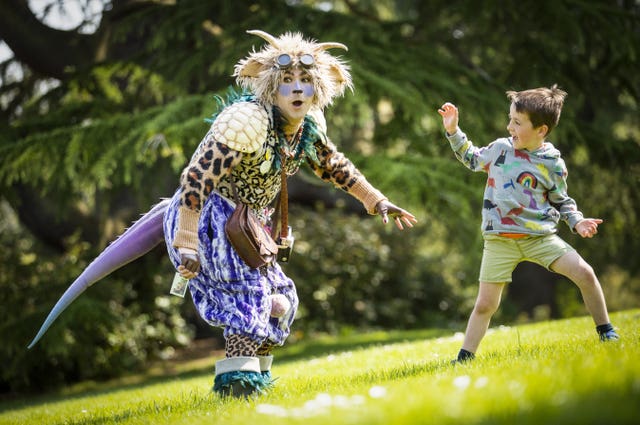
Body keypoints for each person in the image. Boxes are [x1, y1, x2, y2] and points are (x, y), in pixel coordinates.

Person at [164, 29, 417, 397]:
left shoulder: (308, 128)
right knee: (249, 298)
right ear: (270, 86)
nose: (297, 90)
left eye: (305, 81)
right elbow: (197, 180)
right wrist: (186, 241)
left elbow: (333, 166)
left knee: (281, 302)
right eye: (286, 81)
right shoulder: (247, 121)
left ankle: (256, 381)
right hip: (211, 219)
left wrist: (376, 200)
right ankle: (237, 388)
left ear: (319, 88)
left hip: (249, 225)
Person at [437, 85, 619, 363]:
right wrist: (453, 131)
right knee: (485, 305)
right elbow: (472, 159)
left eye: (517, 122)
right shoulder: (500, 149)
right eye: (510, 119)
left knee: (586, 274)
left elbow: (562, 199)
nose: (509, 126)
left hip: (539, 238)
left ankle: (606, 331)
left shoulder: (553, 163)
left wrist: (578, 221)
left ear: (541, 130)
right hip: (500, 240)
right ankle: (464, 358)